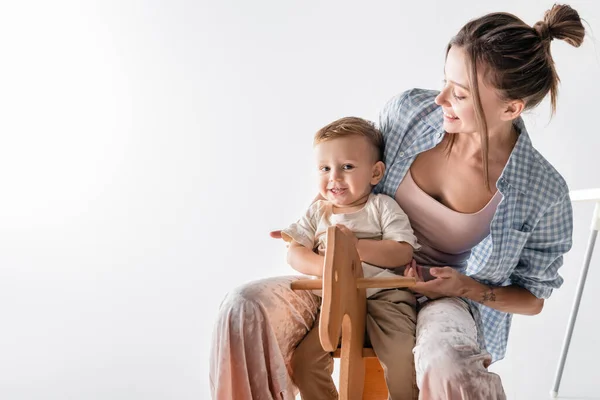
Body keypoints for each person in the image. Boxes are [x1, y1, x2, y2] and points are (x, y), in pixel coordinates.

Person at [209, 4, 584, 399]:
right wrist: (320, 243)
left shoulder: (543, 191)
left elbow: (532, 299)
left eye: (459, 94)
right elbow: (347, 179)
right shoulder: (407, 113)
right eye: (444, 81)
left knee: (447, 361)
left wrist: (467, 287)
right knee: (243, 307)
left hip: (445, 299)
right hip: (355, 276)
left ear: (511, 108)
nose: (440, 99)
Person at [282, 117, 421, 399]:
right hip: (335, 301)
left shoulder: (382, 206)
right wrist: (329, 266)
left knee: (402, 360)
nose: (334, 177)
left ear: (375, 173)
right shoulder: (318, 212)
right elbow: (295, 252)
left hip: (384, 298)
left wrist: (354, 247)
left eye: (346, 167)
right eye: (325, 168)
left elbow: (402, 249)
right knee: (304, 363)